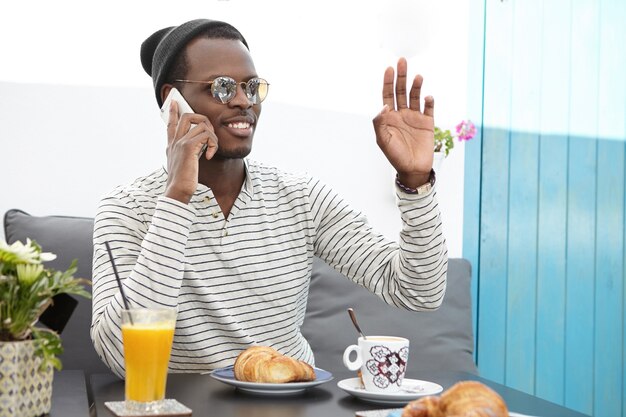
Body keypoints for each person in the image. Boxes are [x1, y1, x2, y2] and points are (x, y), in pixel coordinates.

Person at [91, 18, 448, 377]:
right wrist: (177, 198)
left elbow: (420, 292)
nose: (244, 101)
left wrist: (415, 180)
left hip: (289, 403)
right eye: (223, 87)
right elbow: (121, 356)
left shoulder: (301, 198)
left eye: (251, 86)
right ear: (173, 101)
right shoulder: (126, 209)